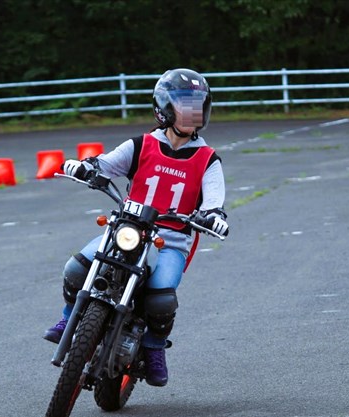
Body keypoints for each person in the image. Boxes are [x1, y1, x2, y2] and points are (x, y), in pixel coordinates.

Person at [43, 68, 229, 387]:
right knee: (76, 269)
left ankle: (154, 348)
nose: (193, 114)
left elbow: (214, 201)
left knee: (160, 299)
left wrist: (213, 216)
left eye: (198, 106)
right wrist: (85, 167)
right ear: (164, 107)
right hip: (128, 229)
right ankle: (66, 318)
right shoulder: (141, 145)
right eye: (186, 106)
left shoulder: (207, 159)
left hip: (170, 241)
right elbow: (103, 164)